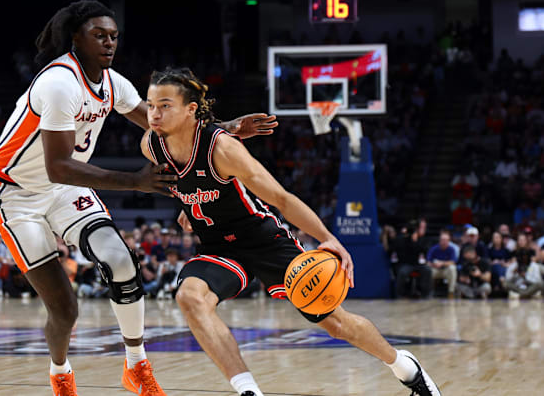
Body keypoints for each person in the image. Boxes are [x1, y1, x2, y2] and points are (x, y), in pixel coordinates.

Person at [0, 0, 277, 396]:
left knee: (122, 262)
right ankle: (60, 373)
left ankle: (136, 366)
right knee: (65, 308)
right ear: (75, 39)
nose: (109, 43)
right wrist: (134, 182)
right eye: (99, 35)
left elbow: (166, 127)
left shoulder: (113, 83)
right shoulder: (57, 83)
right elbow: (59, 166)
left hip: (64, 188)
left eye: (113, 37)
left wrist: (225, 128)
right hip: (14, 194)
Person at [139, 68, 441, 396]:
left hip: (263, 239)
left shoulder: (223, 149)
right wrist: (189, 206)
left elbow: (282, 199)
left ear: (190, 109)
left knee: (336, 324)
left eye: (164, 105)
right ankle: (248, 391)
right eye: (151, 104)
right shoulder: (151, 145)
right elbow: (184, 178)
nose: (154, 113)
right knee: (189, 297)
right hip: (218, 247)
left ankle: (404, 366)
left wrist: (328, 238)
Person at [426, 231, 457, 298]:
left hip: (446, 270)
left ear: (449, 241)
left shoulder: (451, 249)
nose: (444, 242)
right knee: (427, 270)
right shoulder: (434, 249)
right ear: (439, 240)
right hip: (435, 269)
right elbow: (428, 261)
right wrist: (434, 264)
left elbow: (453, 262)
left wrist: (442, 263)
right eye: (442, 240)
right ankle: (428, 291)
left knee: (453, 268)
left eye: (446, 240)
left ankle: (451, 292)